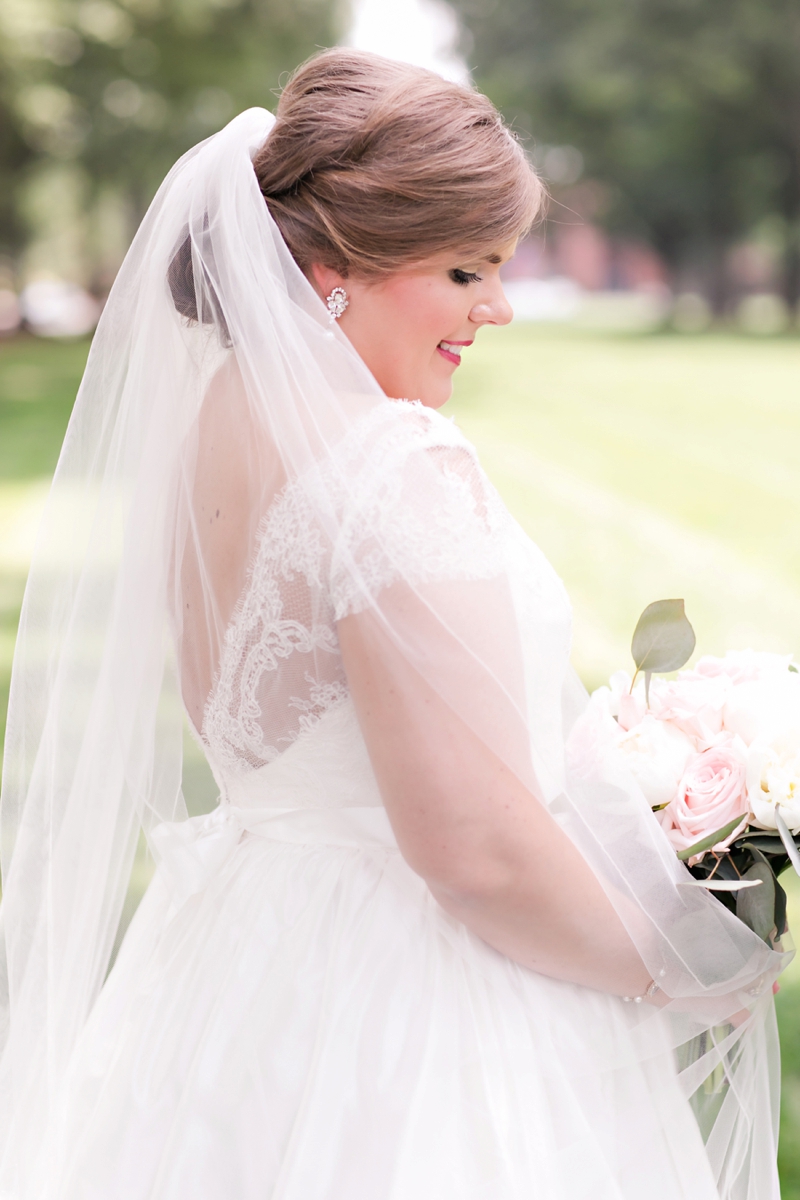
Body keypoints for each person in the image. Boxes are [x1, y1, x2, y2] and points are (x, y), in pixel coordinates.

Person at [0, 49, 785, 1200]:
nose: (498, 307)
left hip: (241, 965)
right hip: (412, 1015)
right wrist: (678, 966)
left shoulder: (216, 426)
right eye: (466, 269)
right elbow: (470, 850)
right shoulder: (392, 464)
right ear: (333, 267)